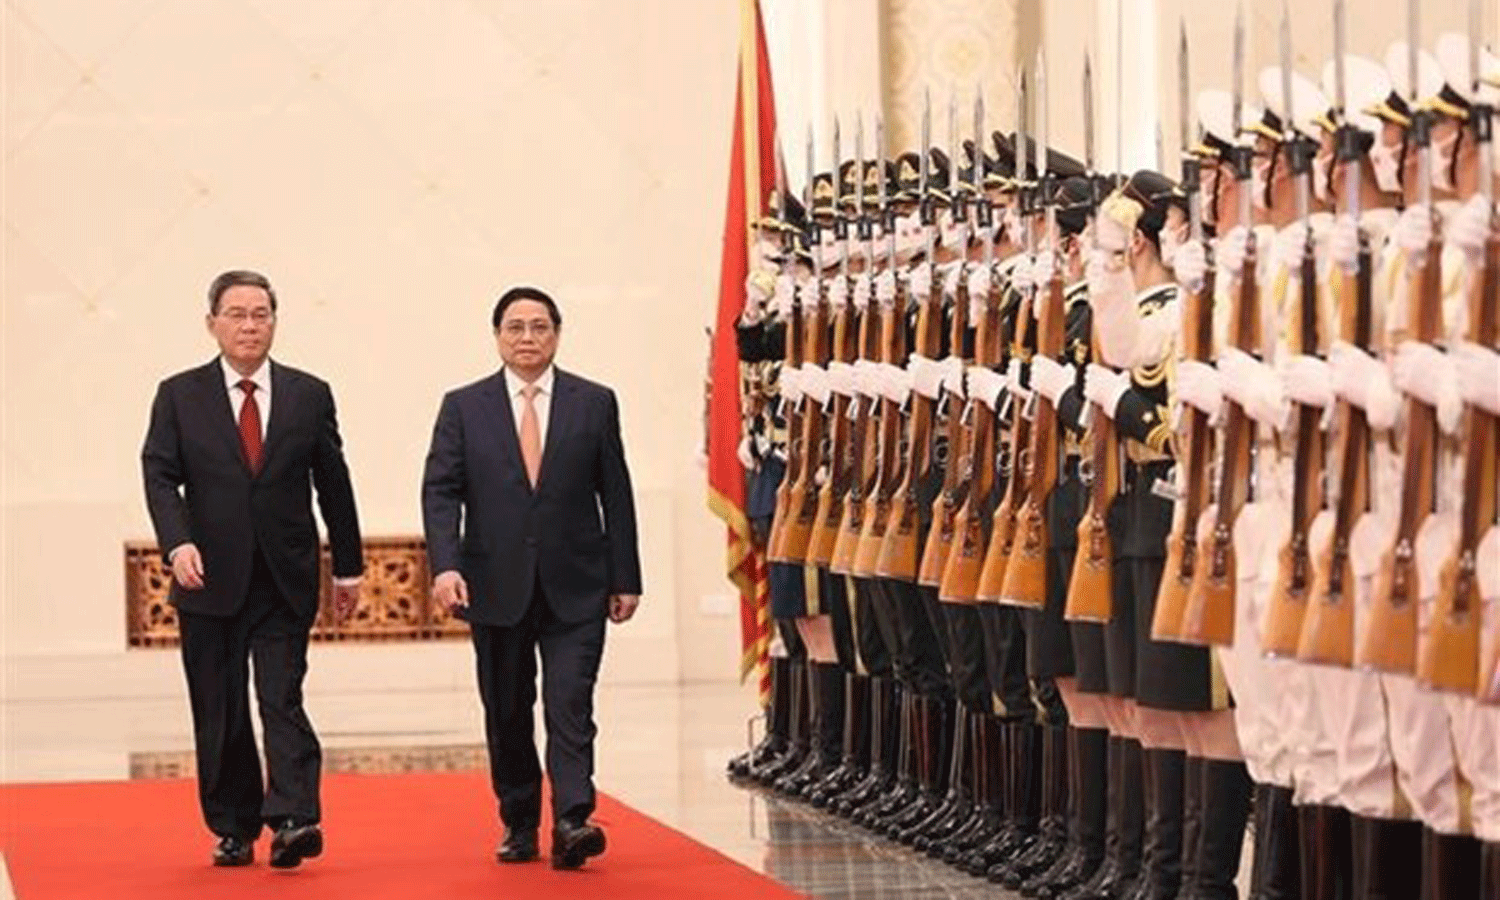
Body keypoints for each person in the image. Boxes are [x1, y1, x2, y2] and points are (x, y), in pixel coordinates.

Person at [141, 269, 363, 869]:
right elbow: (160, 473)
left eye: (260, 313)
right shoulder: (179, 395)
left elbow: (334, 483)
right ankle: (234, 826)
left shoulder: (309, 393)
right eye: (236, 313)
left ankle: (294, 817)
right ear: (211, 322)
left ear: (274, 321)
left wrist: (348, 567)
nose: (249, 324)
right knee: (220, 707)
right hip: (206, 576)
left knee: (280, 695)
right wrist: (177, 543)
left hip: (284, 576)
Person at [421, 285, 642, 871]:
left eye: (539, 327)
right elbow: (440, 491)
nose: (527, 338)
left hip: (578, 583)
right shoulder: (463, 406)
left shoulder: (594, 403)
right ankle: (519, 819)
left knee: (571, 702)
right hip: (494, 585)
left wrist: (627, 576)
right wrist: (445, 565)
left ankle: (573, 819)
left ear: (557, 334)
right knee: (508, 708)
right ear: (497, 337)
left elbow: (614, 493)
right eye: (515, 327)